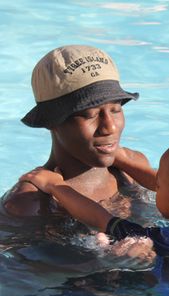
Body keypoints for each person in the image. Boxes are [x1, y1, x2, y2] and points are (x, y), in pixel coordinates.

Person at [1, 44, 157, 268]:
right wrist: (102, 261)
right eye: (89, 115)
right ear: (51, 122)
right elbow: (16, 278)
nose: (109, 127)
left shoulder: (132, 171)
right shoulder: (30, 203)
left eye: (116, 110)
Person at [20, 137, 169, 280]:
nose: (155, 186)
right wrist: (120, 158)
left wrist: (57, 187)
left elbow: (102, 218)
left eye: (159, 186)